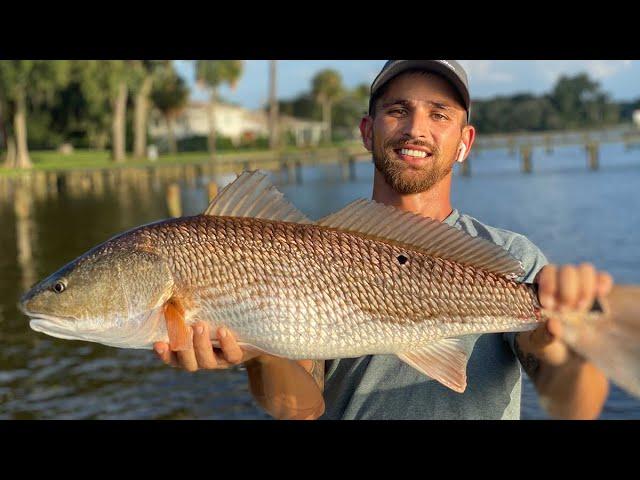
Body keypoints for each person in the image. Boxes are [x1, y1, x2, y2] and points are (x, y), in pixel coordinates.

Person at [153, 60, 612, 420]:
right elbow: (303, 410)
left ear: (464, 142)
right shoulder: (302, 255)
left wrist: (551, 338)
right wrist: (255, 352)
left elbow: (579, 405)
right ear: (367, 131)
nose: (416, 129)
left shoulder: (513, 259)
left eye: (439, 114)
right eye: (398, 110)